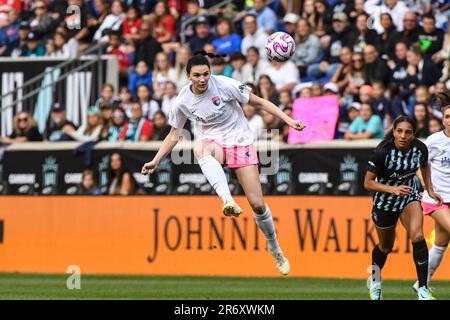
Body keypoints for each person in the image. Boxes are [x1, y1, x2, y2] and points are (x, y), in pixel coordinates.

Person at [141, 53, 305, 276]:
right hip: (215, 144)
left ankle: (275, 248)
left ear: (211, 73)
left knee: (257, 204)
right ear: (188, 76)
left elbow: (260, 102)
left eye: (206, 74)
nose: (202, 79)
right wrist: (156, 160)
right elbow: (174, 134)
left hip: (240, 142)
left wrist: (289, 120)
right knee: (199, 148)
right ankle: (228, 201)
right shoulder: (182, 101)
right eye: (197, 75)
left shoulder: (226, 85)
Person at [364, 116, 436, 300]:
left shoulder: (420, 148)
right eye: (400, 131)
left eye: (408, 132)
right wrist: (392, 189)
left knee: (418, 236)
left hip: (408, 197)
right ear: (394, 132)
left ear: (414, 134)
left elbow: (424, 167)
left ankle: (423, 289)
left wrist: (429, 189)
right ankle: (375, 280)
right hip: (384, 202)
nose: (403, 135)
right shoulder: (382, 151)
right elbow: (368, 183)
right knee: (385, 247)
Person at [415, 92, 450, 292]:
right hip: (436, 199)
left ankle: (421, 284)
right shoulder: (434, 140)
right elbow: (420, 165)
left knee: (441, 244)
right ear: (443, 120)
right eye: (447, 116)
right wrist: (427, 188)